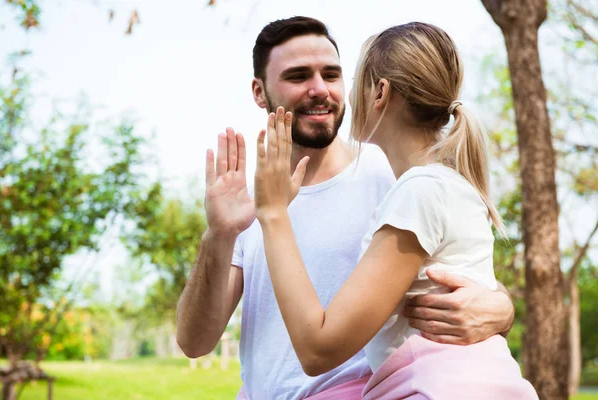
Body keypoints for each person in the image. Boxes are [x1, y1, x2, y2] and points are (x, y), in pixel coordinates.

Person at [176, 17, 515, 399]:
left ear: (374, 91)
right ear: (259, 91)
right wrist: (218, 235)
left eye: (332, 74)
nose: (319, 89)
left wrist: (502, 308)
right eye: (298, 75)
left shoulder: (397, 177)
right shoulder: (250, 201)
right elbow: (194, 343)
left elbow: (460, 271)